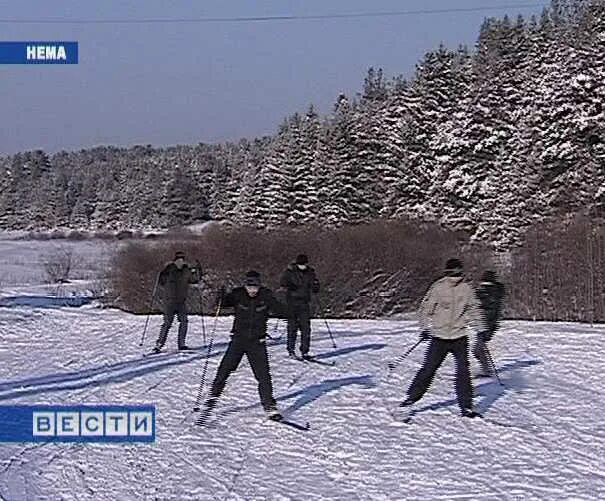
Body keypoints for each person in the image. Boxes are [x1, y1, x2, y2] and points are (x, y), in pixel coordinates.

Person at [398, 258, 483, 419]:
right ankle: (411, 398)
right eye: (452, 273)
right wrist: (424, 328)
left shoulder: (466, 289)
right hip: (439, 337)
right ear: (447, 273)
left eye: (458, 273)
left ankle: (466, 407)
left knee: (463, 371)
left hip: (459, 336)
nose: (455, 276)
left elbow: (474, 310)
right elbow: (424, 310)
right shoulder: (438, 288)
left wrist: (481, 329)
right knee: (429, 369)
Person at [201, 270, 288, 422]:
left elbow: (281, 310)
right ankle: (213, 395)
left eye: (255, 287)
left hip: (257, 342)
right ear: (245, 285)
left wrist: (289, 308)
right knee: (225, 369)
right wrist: (220, 295)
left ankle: (269, 406)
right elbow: (220, 305)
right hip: (238, 340)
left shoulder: (266, 296)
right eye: (250, 287)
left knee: (263, 375)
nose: (252, 290)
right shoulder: (238, 295)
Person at [153, 251, 201, 353]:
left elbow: (194, 280)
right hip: (169, 301)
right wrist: (161, 273)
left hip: (181, 301)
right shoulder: (169, 269)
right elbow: (161, 281)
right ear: (175, 260)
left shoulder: (186, 271)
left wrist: (198, 270)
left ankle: (181, 344)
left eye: (182, 260)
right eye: (178, 260)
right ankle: (159, 345)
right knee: (167, 323)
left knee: (184, 322)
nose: (180, 262)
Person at [280, 254, 320, 359]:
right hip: (292, 302)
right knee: (292, 327)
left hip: (304, 302)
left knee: (306, 328)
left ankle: (305, 351)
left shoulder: (310, 272)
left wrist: (315, 287)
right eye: (301, 264)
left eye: (304, 264)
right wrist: (288, 285)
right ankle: (291, 350)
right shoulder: (290, 271)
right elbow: (282, 282)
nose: (303, 266)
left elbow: (314, 284)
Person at [473, 270, 505, 377]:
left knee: (478, 349)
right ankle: (486, 369)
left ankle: (487, 371)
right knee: (478, 348)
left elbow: (486, 306)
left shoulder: (490, 293)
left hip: (487, 325)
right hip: (487, 324)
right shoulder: (494, 292)